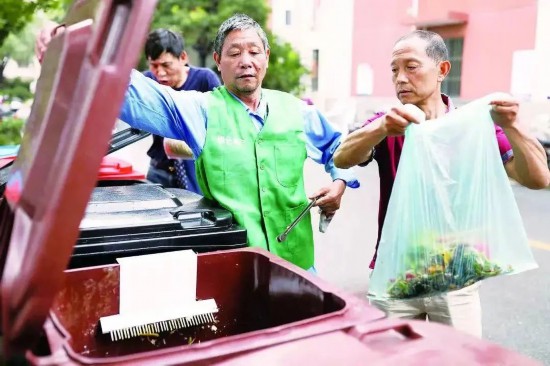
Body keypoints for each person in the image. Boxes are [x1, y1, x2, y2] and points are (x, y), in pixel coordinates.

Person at [334, 30, 550, 337]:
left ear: (442, 70)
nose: (400, 79)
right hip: (396, 272)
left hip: (456, 276)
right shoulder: (391, 122)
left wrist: (513, 126)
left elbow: (538, 178)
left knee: (459, 358)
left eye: (411, 66)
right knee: (390, 358)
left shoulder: (471, 125)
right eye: (394, 70)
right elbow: (342, 158)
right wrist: (380, 129)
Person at [116, 13, 359, 271]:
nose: (246, 62)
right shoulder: (202, 110)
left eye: (254, 52)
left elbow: (339, 148)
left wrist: (339, 183)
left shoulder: (297, 111)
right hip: (233, 266)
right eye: (234, 53)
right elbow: (132, 93)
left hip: (297, 262)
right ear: (218, 61)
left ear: (266, 56)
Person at [143, 29, 221, 193]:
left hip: (197, 172)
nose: (160, 73)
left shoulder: (205, 80)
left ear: (183, 58)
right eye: (154, 66)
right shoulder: (148, 82)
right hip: (159, 172)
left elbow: (221, 122)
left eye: (166, 65)